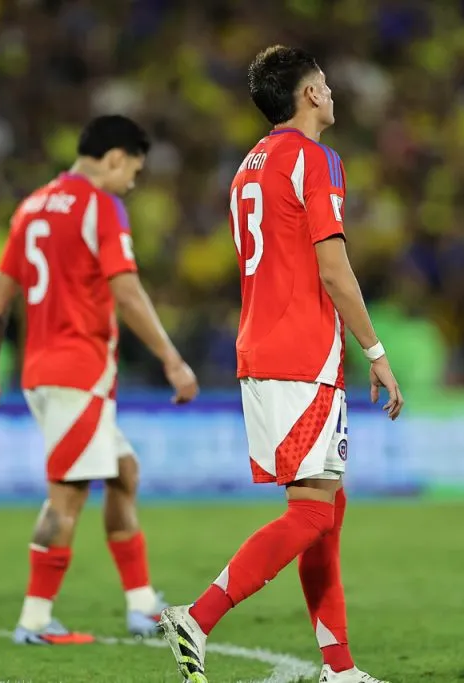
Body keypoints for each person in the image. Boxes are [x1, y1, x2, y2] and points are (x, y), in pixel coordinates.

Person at [158, 46, 404, 683]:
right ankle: (199, 616)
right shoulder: (316, 159)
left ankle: (340, 668)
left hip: (260, 350)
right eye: (324, 83)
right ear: (310, 95)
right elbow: (330, 264)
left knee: (327, 509)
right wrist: (374, 352)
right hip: (303, 354)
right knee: (314, 514)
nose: (331, 92)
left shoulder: (247, 168)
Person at [0, 115, 199, 645]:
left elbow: (0, 293)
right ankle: (33, 620)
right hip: (78, 371)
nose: (132, 185)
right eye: (133, 173)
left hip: (43, 370)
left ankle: (142, 606)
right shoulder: (101, 205)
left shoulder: (31, 206)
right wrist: (171, 358)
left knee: (123, 472)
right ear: (115, 158)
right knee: (67, 497)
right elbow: (126, 290)